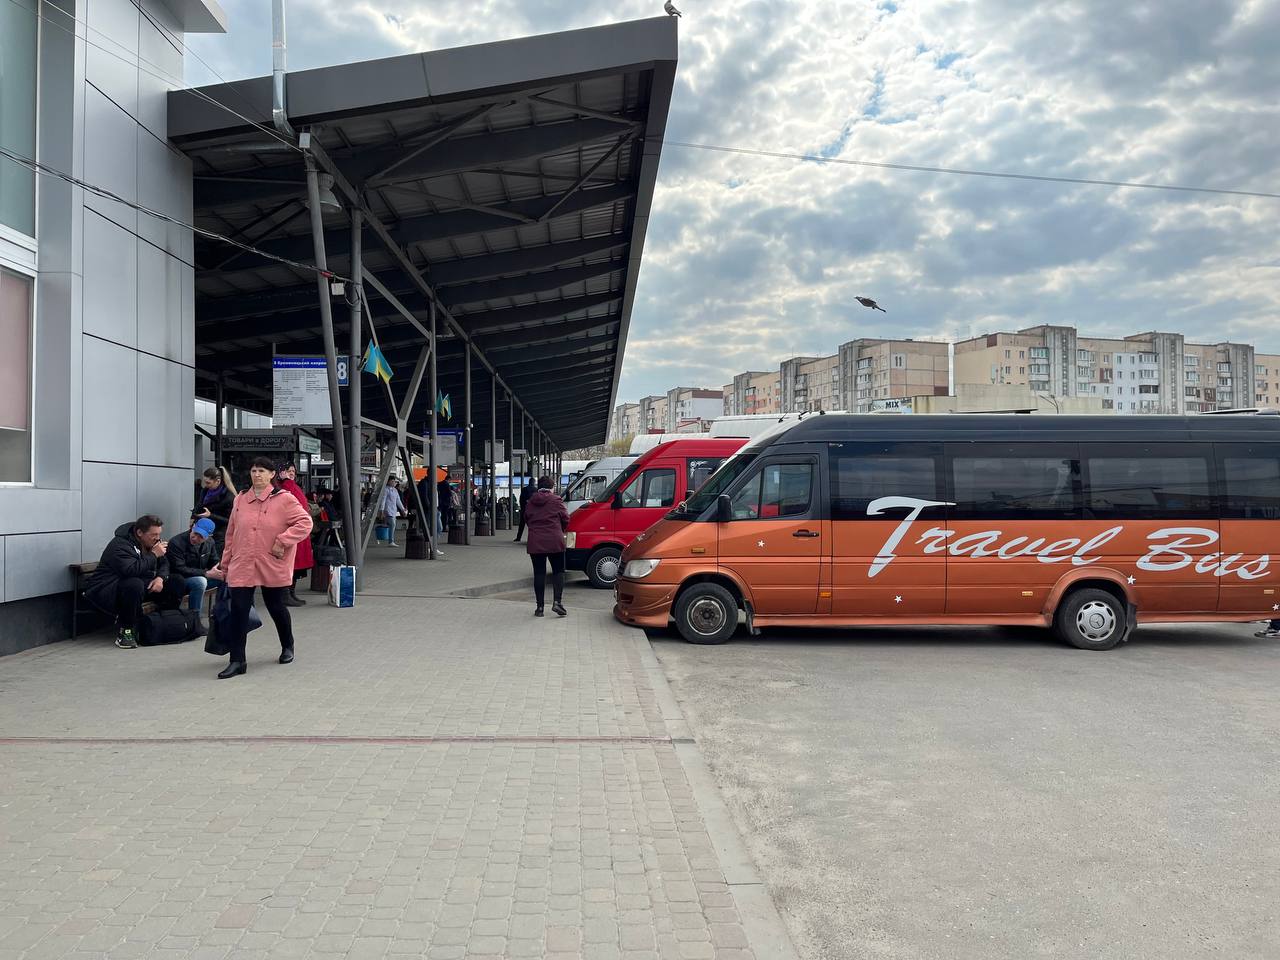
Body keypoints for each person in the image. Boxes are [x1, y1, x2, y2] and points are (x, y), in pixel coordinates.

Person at [210, 457, 313, 679]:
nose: (256, 474)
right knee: (238, 611)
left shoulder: (284, 499)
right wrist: (225, 563)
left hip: (270, 561)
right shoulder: (240, 500)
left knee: (275, 606)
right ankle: (237, 661)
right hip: (242, 562)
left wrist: (283, 540)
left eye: (262, 471)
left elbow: (305, 523)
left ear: (271, 475)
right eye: (253, 470)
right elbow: (231, 534)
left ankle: (288, 645)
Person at [85, 514, 183, 648]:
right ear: (139, 533)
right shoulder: (120, 545)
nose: (158, 538)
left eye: (159, 534)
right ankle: (126, 632)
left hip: (139, 585)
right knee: (133, 584)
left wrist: (160, 578)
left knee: (176, 581)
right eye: (153, 534)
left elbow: (165, 564)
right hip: (108, 590)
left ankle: (165, 624)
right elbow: (130, 570)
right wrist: (154, 554)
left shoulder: (152, 543)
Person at [165, 518, 222, 635]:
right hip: (180, 580)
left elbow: (214, 561)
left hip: (201, 576)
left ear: (209, 536)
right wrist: (205, 573)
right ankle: (195, 622)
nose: (196, 538)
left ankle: (221, 615)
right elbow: (179, 568)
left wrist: (220, 569)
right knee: (200, 582)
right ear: (193, 526)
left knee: (226, 579)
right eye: (195, 533)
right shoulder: (176, 542)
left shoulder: (210, 543)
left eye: (201, 536)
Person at [523, 475, 569, 618]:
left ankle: (540, 608)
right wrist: (560, 528)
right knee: (558, 571)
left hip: (536, 542)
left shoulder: (531, 502)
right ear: (551, 487)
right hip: (555, 541)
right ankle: (557, 602)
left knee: (539, 573)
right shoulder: (556, 500)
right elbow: (566, 518)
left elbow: (526, 519)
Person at [276, 462, 314, 606]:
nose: (291, 473)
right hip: (291, 532)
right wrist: (286, 481)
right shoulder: (283, 486)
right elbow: (287, 498)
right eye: (288, 471)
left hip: (300, 533)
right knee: (290, 566)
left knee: (296, 567)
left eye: (293, 471)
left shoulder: (292, 485)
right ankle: (285, 595)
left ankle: (291, 593)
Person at [195, 466, 236, 547]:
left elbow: (230, 520)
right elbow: (199, 505)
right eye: (205, 482)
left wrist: (210, 515)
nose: (206, 485)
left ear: (218, 481)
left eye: (208, 483)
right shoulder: (205, 490)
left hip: (219, 532)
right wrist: (193, 516)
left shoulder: (228, 497)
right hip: (202, 528)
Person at [382, 478, 407, 547]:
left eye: (394, 481)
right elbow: (383, 500)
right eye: (392, 481)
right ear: (388, 482)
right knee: (392, 525)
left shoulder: (395, 490)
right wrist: (381, 510)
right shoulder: (385, 490)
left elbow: (398, 500)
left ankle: (390, 540)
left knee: (392, 525)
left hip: (393, 510)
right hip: (387, 510)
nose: (394, 483)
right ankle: (391, 541)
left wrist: (402, 509)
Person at [513, 471, 536, 543]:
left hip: (524, 510)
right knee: (532, 526)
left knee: (521, 525)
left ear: (529, 482)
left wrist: (522, 507)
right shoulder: (536, 490)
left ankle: (518, 538)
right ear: (534, 482)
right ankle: (532, 538)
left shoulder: (524, 489)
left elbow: (521, 499)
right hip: (533, 511)